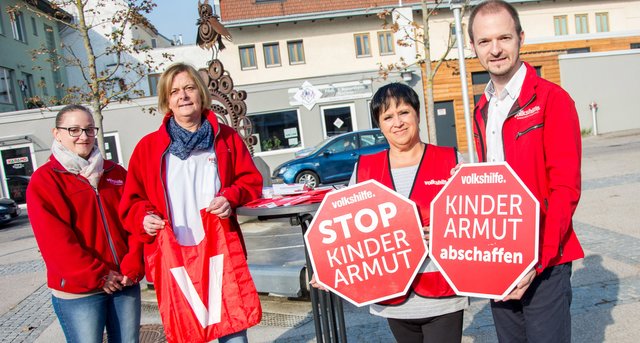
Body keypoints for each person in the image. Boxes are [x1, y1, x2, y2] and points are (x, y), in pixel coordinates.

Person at [312, 83, 468, 343]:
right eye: (387, 117)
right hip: (392, 294)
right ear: (380, 124)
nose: (398, 122)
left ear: (417, 114)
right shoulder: (364, 170)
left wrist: (447, 230)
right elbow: (346, 230)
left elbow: (475, 223)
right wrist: (329, 268)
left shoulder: (451, 161)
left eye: (404, 112)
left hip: (444, 293)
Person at [119, 62, 263, 343]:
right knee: (186, 333)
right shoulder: (148, 148)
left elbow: (251, 182)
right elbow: (132, 201)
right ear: (167, 101)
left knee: (233, 332)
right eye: (174, 91)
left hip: (218, 250)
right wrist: (143, 218)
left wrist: (230, 197)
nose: (183, 96)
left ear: (200, 93)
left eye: (189, 88)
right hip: (173, 254)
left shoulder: (227, 139)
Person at [468, 1, 584, 342]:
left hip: (546, 263)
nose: (496, 49)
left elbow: (565, 189)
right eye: (485, 41)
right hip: (499, 261)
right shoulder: (481, 109)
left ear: (521, 38)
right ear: (473, 47)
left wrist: (538, 260)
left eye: (504, 37)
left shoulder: (552, 99)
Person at [26, 104, 144, 343]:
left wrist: (133, 265)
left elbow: (134, 222)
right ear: (57, 133)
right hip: (80, 292)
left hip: (124, 281)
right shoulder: (46, 180)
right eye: (74, 129)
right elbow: (56, 242)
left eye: (89, 129)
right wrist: (99, 275)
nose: (84, 136)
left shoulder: (115, 173)